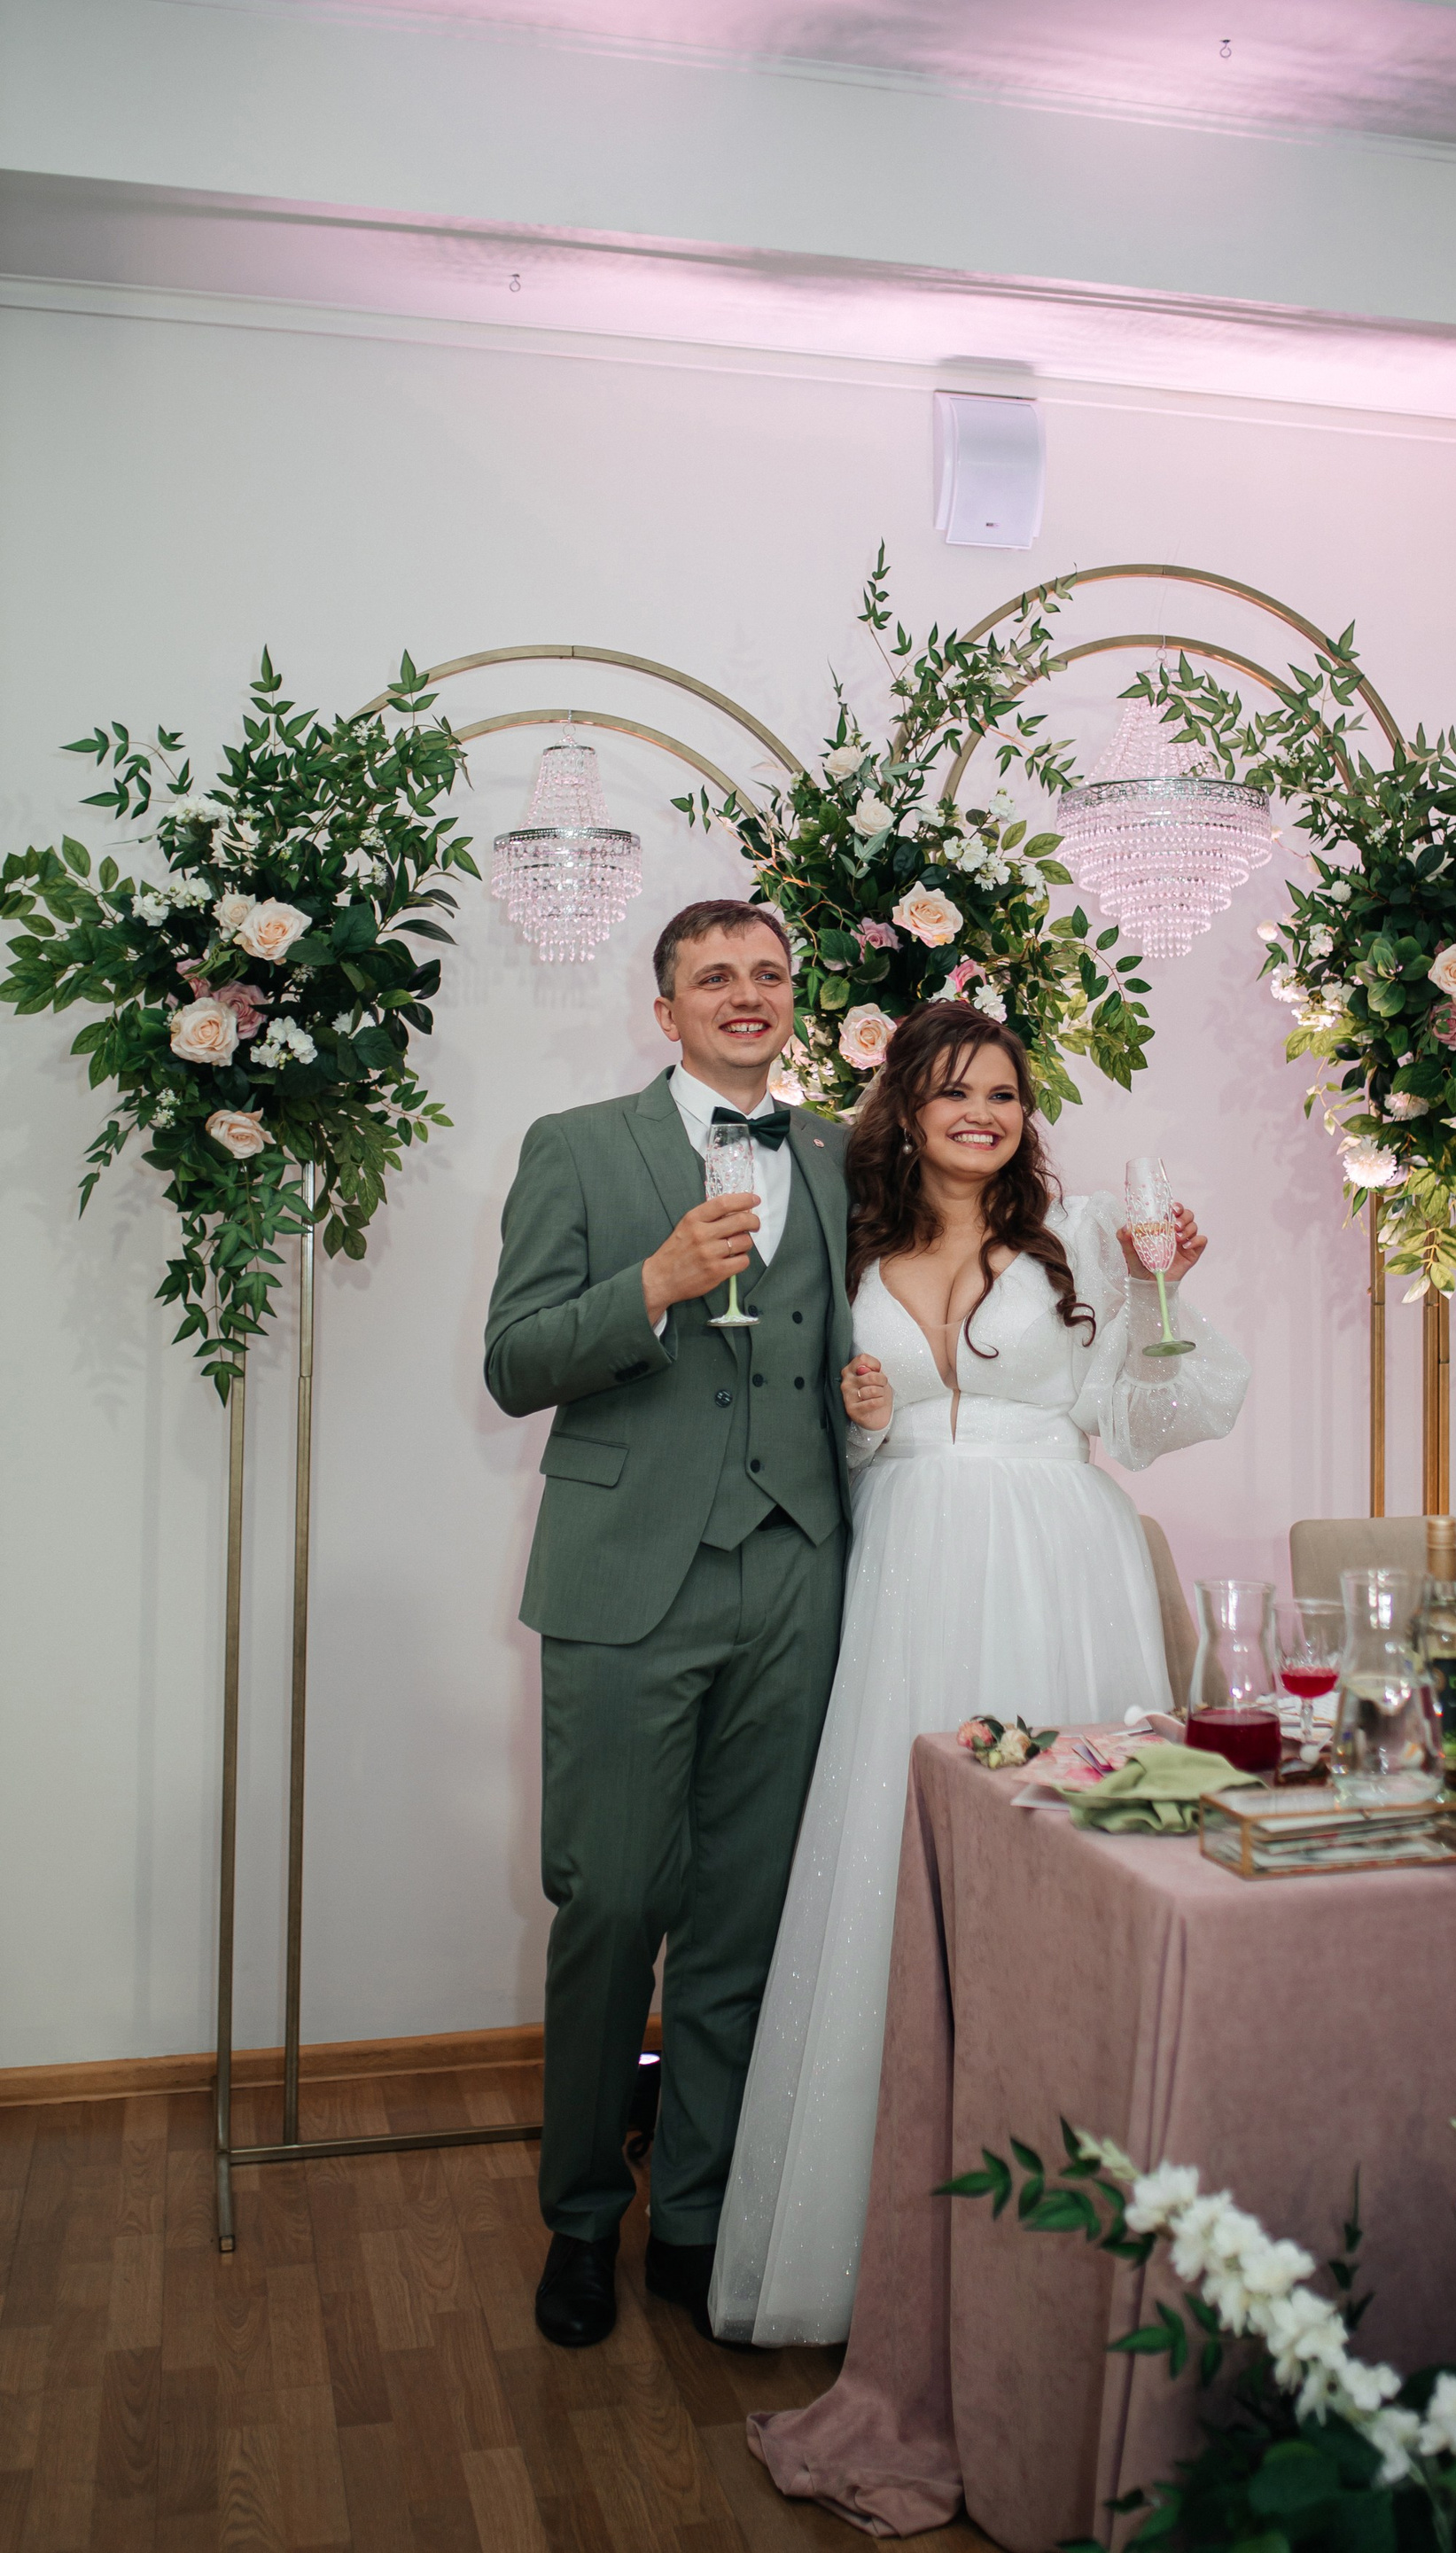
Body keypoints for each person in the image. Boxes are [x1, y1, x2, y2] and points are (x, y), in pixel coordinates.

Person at [707, 1001, 1250, 2346]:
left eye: (1003, 1093)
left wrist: (1165, 1295)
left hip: (1063, 1562)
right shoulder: (845, 1242)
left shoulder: (1084, 1238)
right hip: (908, 1565)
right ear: (906, 1106)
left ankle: (1092, 2234)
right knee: (898, 1857)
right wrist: (861, 1423)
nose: (981, 1113)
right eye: (954, 1090)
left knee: (1076, 1854)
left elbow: (1153, 1413)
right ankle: (882, 2249)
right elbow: (826, 1442)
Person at [483, 899, 853, 2350]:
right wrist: (652, 1284)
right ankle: (581, 2218)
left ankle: (697, 2219)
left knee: (744, 1918)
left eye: (767, 973)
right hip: (629, 1577)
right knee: (614, 1903)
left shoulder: (839, 1154)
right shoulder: (577, 1146)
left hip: (799, 1570)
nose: (745, 994)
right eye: (714, 977)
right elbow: (515, 1362)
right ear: (668, 1010)